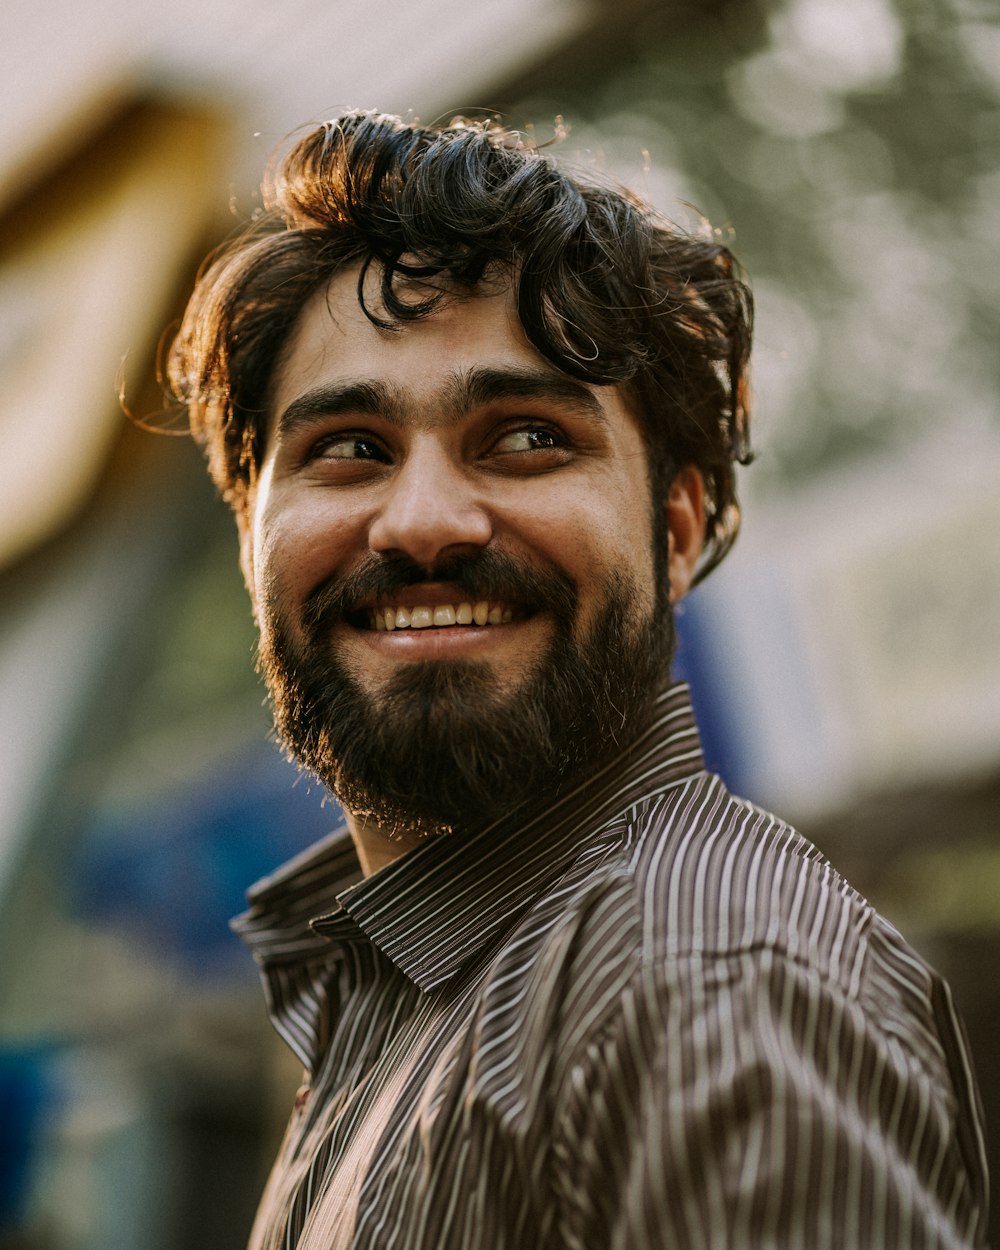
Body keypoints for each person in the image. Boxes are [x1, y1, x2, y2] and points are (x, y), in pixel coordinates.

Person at [167, 111, 988, 1248]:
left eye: (523, 438)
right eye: (349, 447)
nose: (423, 523)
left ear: (677, 526)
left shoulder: (698, 984)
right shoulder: (399, 993)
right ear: (254, 535)